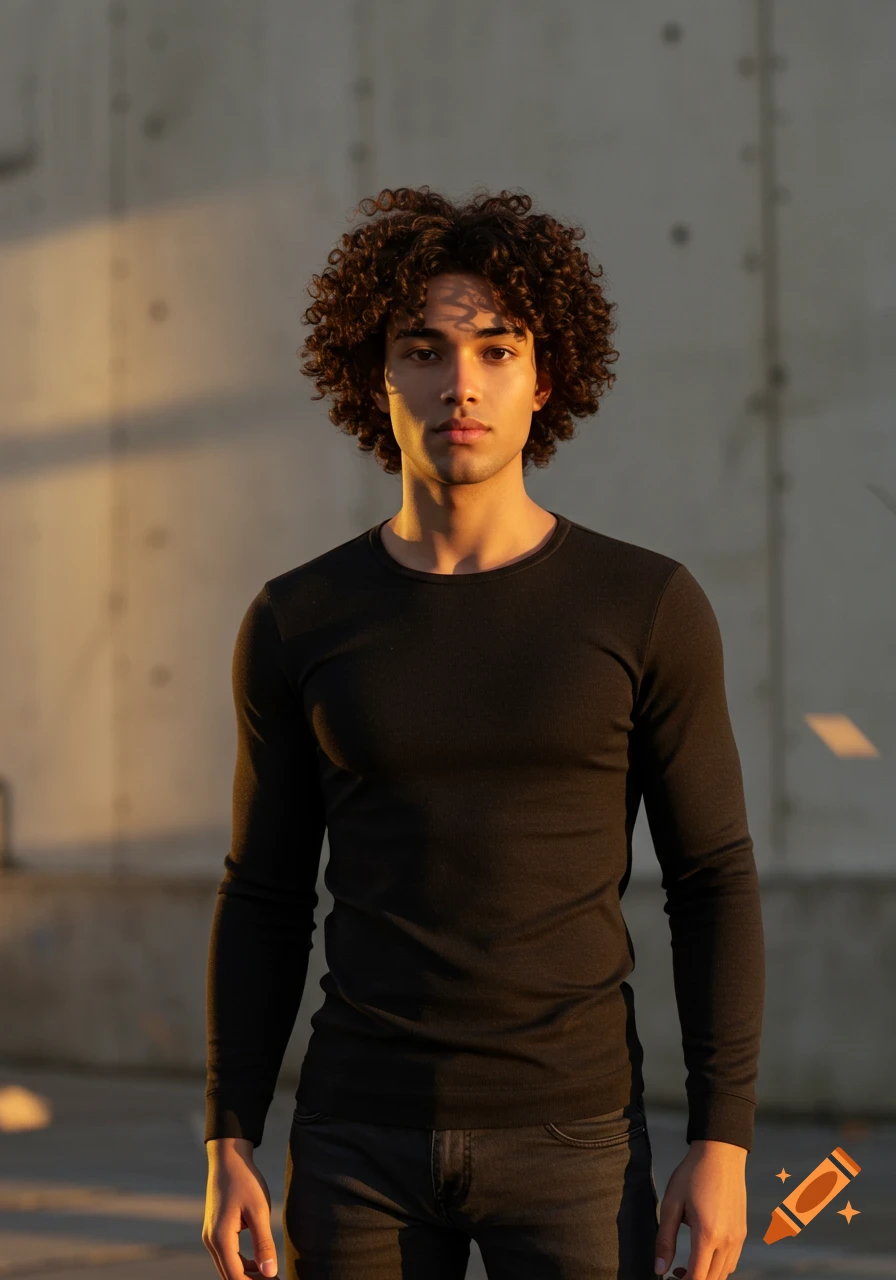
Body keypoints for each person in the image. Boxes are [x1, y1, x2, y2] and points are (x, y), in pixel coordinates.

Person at [201, 187, 765, 1280]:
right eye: (422, 348)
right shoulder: (295, 617)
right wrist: (230, 1133)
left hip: (574, 1141)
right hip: (353, 1138)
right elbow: (263, 892)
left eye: (495, 349)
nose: (459, 382)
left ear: (543, 377)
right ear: (376, 376)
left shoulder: (642, 604)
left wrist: (723, 1137)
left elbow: (711, 878)